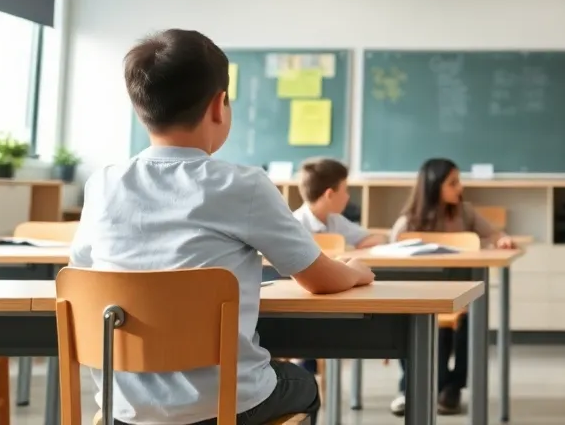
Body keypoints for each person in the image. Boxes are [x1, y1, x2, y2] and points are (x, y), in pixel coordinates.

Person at [70, 29, 375, 425]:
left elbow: (81, 275)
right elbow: (319, 280)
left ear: (140, 107)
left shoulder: (103, 184)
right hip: (225, 405)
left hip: (125, 409)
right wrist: (353, 271)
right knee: (303, 384)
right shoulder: (242, 185)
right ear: (219, 105)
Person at [388, 158, 515, 417]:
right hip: (421, 298)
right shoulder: (407, 223)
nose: (460, 187)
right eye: (453, 183)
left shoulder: (465, 212)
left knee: (468, 325)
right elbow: (391, 260)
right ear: (434, 187)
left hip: (462, 297)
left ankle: (451, 387)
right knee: (413, 322)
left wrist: (502, 240)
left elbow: (494, 234)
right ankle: (414, 387)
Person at [293, 157, 383, 250]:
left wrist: (355, 246)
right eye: (345, 191)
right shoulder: (295, 227)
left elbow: (371, 238)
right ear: (330, 194)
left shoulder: (335, 220)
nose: (347, 197)